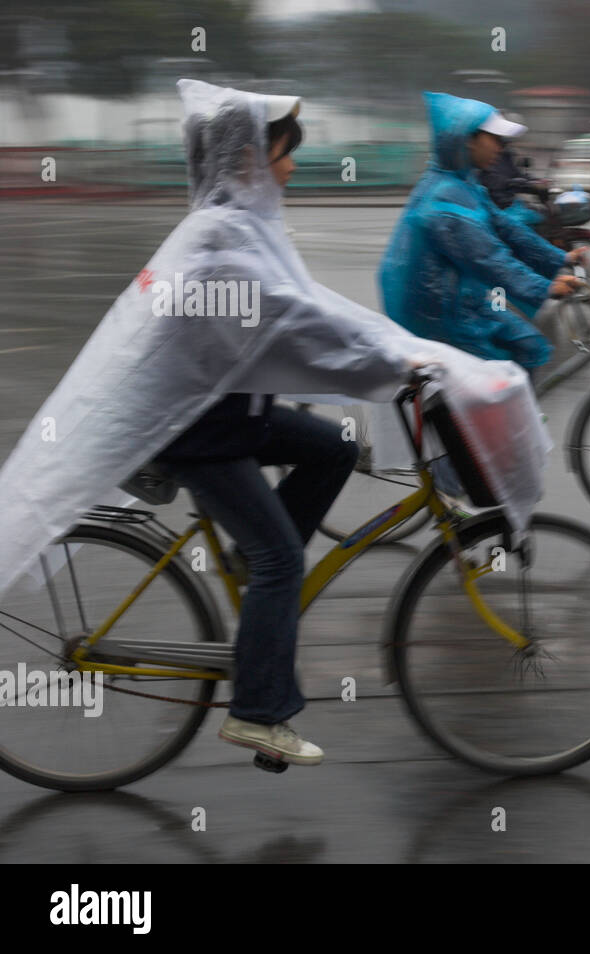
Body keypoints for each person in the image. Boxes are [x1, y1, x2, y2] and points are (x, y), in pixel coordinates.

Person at [0, 80, 536, 768]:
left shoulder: (241, 224)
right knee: (286, 558)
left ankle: (249, 561)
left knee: (338, 446)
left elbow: (308, 307)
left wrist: (399, 355)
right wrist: (403, 357)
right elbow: (299, 321)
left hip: (230, 415)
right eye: (283, 152)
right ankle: (257, 711)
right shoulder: (221, 239)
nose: (290, 165)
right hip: (202, 433)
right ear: (249, 156)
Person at [378, 93, 587, 376]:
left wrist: (560, 257)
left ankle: (511, 416)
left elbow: (508, 229)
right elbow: (488, 258)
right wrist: (543, 288)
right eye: (495, 139)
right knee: (497, 375)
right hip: (436, 313)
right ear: (467, 140)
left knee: (529, 345)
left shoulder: (466, 185)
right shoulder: (444, 199)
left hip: (463, 301)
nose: (501, 148)